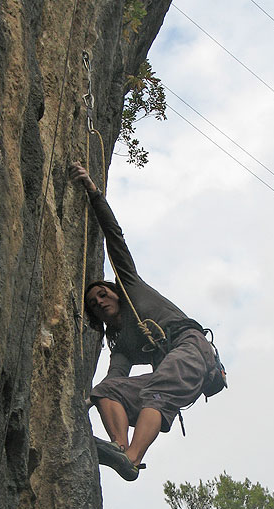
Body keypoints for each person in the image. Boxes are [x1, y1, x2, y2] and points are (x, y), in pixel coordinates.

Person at [70, 162, 226, 481]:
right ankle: (118, 449)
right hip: (172, 369)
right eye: (93, 304)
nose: (99, 301)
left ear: (114, 291)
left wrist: (93, 193)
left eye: (102, 294)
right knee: (107, 390)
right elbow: (115, 378)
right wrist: (85, 401)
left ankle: (132, 458)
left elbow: (115, 239)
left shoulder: (131, 289)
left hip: (191, 349)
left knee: (156, 390)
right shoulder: (120, 342)